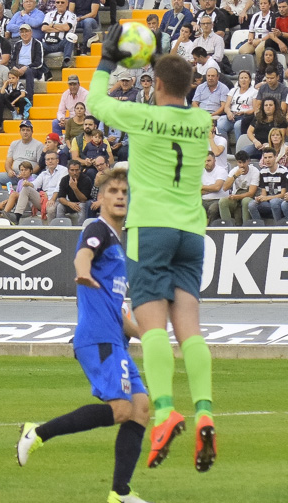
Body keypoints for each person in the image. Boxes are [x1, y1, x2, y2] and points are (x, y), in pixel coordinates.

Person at [88, 28, 217, 472]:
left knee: (153, 324)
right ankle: (205, 411)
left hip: (151, 227)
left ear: (155, 85)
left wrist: (108, 59)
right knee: (191, 330)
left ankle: (164, 411)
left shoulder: (143, 117)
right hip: (192, 231)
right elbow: (173, 84)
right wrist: (162, 62)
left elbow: (95, 103)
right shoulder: (203, 121)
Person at [15, 167, 156, 503]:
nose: (121, 196)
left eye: (125, 191)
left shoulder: (119, 246)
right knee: (121, 408)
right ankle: (37, 433)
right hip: (97, 338)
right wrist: (81, 273)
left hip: (115, 337)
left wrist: (149, 335)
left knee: (140, 408)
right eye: (114, 191)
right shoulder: (98, 230)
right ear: (100, 199)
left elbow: (120, 313)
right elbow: (82, 256)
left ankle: (120, 492)